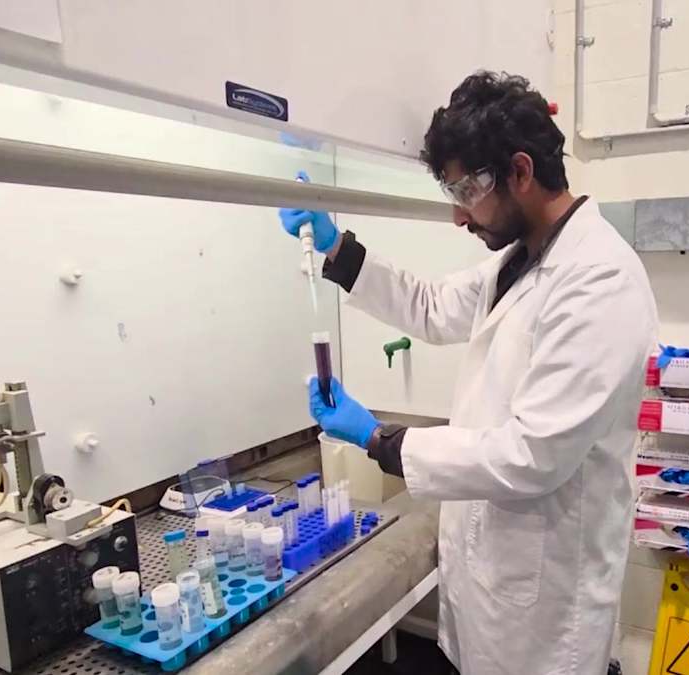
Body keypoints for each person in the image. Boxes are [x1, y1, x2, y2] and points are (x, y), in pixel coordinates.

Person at [279, 72, 657, 675]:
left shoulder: (599, 281)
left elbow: (532, 454)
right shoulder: (521, 260)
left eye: (466, 192)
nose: (459, 216)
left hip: (546, 616)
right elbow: (430, 306)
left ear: (521, 172)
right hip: (495, 590)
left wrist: (382, 442)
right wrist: (336, 249)